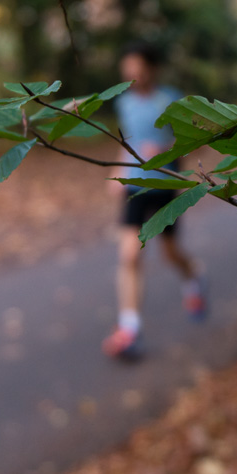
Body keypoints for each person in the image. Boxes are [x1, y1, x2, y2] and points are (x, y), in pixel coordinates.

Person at [102, 40, 208, 360]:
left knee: (170, 253)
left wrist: (164, 151)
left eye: (137, 67)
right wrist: (118, 169)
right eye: (127, 67)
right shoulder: (124, 103)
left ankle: (193, 280)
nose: (132, 73)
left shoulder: (172, 100)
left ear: (152, 68)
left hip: (164, 187)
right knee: (129, 255)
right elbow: (128, 142)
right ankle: (129, 329)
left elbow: (198, 143)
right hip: (134, 187)